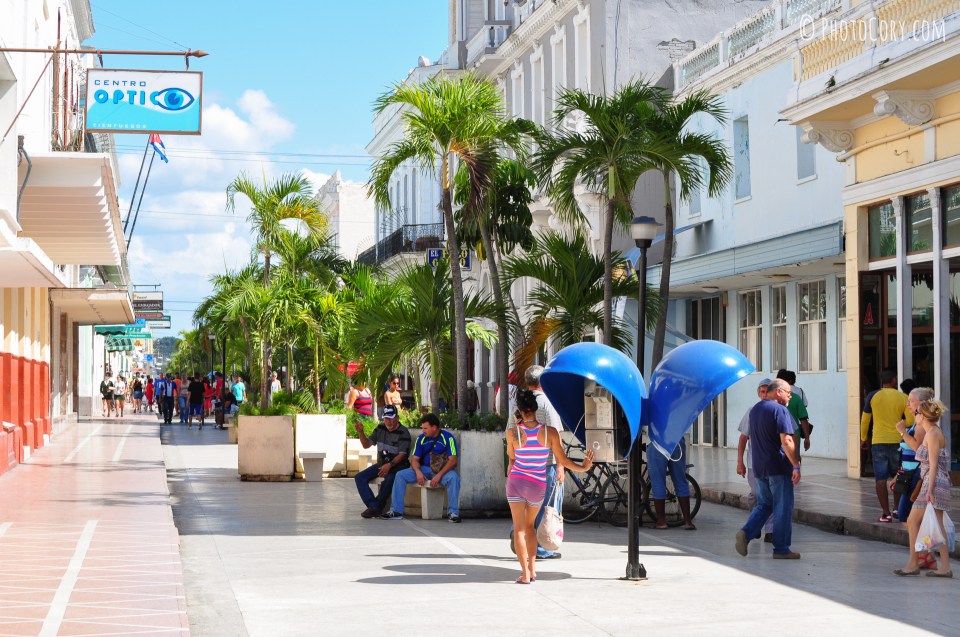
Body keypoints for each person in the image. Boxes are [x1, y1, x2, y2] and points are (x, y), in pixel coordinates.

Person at [503, 389, 594, 584]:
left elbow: (511, 456)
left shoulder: (513, 433)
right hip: (537, 485)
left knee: (519, 529)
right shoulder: (549, 432)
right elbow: (563, 460)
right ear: (536, 409)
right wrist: (583, 467)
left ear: (519, 410)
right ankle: (533, 569)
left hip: (516, 482)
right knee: (530, 528)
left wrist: (517, 425)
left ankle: (524, 573)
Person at [735, 379, 802, 560]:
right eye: (788, 392)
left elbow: (746, 436)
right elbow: (787, 440)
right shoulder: (780, 410)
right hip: (778, 466)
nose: (790, 395)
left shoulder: (755, 410)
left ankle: (746, 533)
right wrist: (795, 464)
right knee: (782, 506)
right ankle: (781, 549)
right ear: (779, 392)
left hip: (759, 466)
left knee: (764, 504)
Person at [508, 365, 566, 558]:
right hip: (545, 463)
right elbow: (556, 435)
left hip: (522, 466)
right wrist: (561, 465)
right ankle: (540, 549)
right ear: (543, 383)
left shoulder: (521, 404)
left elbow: (511, 433)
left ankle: (519, 537)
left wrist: (512, 461)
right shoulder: (548, 404)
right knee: (544, 506)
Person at [894, 396, 953, 578]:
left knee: (912, 520)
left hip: (933, 482)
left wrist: (929, 490)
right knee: (937, 523)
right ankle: (943, 566)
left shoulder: (933, 433)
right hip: (933, 482)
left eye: (917, 412)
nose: (914, 414)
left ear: (924, 416)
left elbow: (934, 464)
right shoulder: (931, 433)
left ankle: (914, 563)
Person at [381, 413, 462, 523]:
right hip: (424, 469)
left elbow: (453, 461)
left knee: (454, 477)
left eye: (425, 428)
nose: (423, 431)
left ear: (434, 428)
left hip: (441, 471)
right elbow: (414, 460)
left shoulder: (448, 438)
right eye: (422, 428)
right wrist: (418, 472)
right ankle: (396, 511)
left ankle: (453, 513)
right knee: (400, 475)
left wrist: (439, 476)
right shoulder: (421, 439)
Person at [861, 369, 912, 522]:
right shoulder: (903, 397)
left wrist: (864, 439)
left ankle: (886, 513)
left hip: (878, 442)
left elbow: (865, 420)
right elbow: (910, 421)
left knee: (880, 479)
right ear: (894, 380)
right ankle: (897, 509)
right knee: (898, 477)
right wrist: (899, 424)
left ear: (882, 380)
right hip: (897, 441)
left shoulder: (872, 396)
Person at [895, 386, 937, 570]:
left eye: (911, 401)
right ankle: (925, 554)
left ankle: (924, 554)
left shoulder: (921, 426)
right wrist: (898, 475)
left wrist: (903, 432)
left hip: (916, 476)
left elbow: (918, 450)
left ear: (921, 403)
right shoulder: (916, 423)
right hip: (908, 474)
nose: (908, 405)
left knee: (906, 515)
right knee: (908, 517)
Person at [354, 405, 411, 518]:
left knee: (390, 478)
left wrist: (389, 465)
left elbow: (402, 455)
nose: (388, 421)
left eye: (391, 418)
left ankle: (375, 507)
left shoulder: (404, 432)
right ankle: (374, 506)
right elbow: (366, 445)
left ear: (397, 418)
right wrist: (360, 432)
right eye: (386, 418)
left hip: (398, 466)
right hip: (382, 464)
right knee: (359, 477)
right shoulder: (380, 428)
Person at [736, 378, 774, 542]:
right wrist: (740, 462)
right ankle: (755, 523)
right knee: (755, 495)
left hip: (773, 464)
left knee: (770, 496)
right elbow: (743, 438)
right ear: (759, 394)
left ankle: (770, 531)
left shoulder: (777, 411)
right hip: (754, 464)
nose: (765, 395)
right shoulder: (752, 412)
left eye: (768, 391)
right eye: (762, 391)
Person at [776, 370, 813, 454]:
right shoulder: (797, 394)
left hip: (775, 436)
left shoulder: (770, 397)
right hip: (794, 433)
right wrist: (807, 438)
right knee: (794, 461)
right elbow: (803, 417)